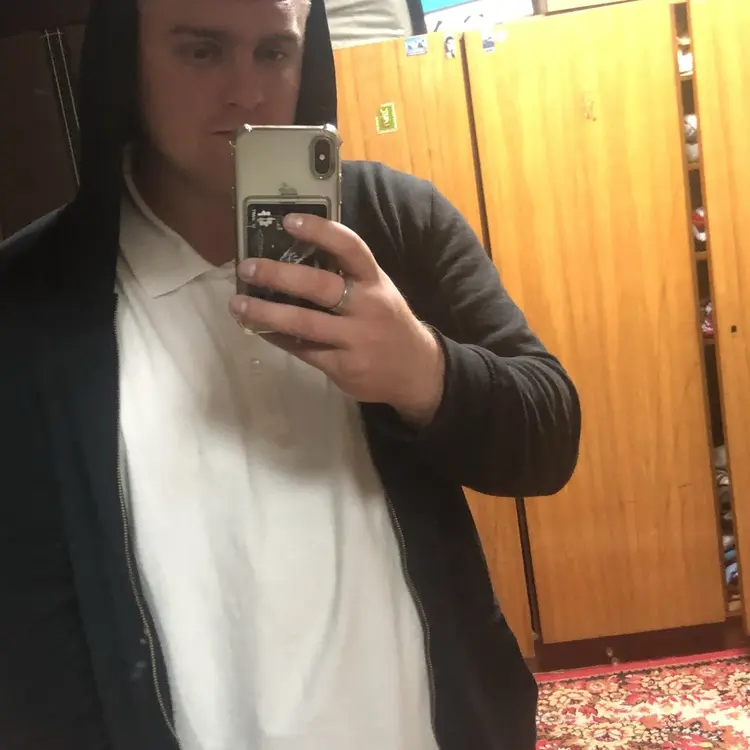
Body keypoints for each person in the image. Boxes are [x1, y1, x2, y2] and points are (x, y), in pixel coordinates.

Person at [0, 0, 581, 748]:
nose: (247, 91)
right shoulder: (30, 299)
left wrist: (424, 372)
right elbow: (28, 620)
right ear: (125, 61)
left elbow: (549, 439)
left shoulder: (394, 222)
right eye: (202, 52)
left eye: (275, 52)